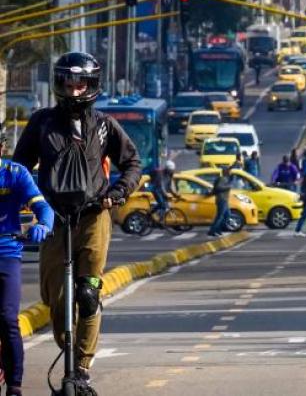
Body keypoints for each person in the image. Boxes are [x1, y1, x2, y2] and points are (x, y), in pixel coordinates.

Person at [13, 52, 141, 389]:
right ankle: (64, 345)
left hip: (93, 216)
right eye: (67, 84)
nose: (73, 91)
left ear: (92, 84)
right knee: (55, 298)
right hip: (53, 218)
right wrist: (24, 203)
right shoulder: (41, 123)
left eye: (80, 83)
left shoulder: (104, 126)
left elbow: (132, 163)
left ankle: (82, 365)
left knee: (87, 293)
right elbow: (19, 168)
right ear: (58, 84)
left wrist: (119, 192)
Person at [0, 125, 54, 396]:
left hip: (6, 252)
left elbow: (42, 205)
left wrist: (43, 224)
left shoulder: (15, 174)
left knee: (9, 319)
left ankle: (15, 384)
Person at [149, 160, 179, 224]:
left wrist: (175, 194)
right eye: (171, 170)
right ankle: (154, 217)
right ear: (167, 169)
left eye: (172, 170)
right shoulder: (161, 174)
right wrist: (165, 194)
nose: (172, 171)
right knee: (162, 205)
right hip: (156, 190)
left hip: (161, 191)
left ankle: (158, 218)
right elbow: (161, 185)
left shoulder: (170, 175)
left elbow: (170, 186)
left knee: (164, 205)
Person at [208, 167, 232, 237]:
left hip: (224, 200)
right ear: (226, 172)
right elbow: (219, 187)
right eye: (229, 171)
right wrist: (228, 187)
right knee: (220, 216)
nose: (230, 173)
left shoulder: (225, 179)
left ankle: (218, 230)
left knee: (227, 215)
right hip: (222, 200)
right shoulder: (223, 179)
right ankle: (212, 230)